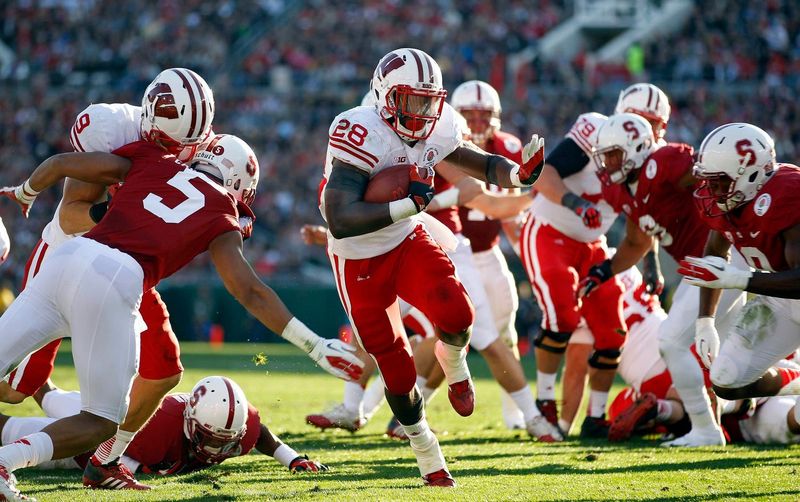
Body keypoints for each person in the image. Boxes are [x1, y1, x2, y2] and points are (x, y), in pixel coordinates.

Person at [0, 133, 363, 500]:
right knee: (101, 420)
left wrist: (28, 190)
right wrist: (314, 345)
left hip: (68, 254)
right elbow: (249, 290)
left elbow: (63, 162)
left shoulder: (155, 159)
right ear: (238, 184)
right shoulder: (221, 210)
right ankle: (5, 462)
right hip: (114, 278)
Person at [320, 47, 547, 487]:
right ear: (386, 97)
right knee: (399, 371)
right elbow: (341, 220)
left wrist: (518, 175)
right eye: (412, 100)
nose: (424, 112)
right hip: (358, 258)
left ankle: (456, 366)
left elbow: (469, 160)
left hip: (405, 238)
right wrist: (411, 203)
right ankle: (425, 447)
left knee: (458, 312)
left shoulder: (437, 123)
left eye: (430, 100)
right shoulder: (359, 129)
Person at [0, 68, 227, 490]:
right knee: (13, 389)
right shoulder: (109, 129)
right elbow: (70, 214)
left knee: (164, 370)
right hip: (71, 255)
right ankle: (20, 429)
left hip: (126, 272)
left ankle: (107, 459)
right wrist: (125, 215)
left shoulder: (191, 138)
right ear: (148, 121)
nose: (180, 151)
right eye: (172, 143)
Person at [579, 113, 747, 446]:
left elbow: (712, 180)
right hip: (699, 270)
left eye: (613, 153)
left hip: (722, 261)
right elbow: (637, 242)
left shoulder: (666, 161)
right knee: (720, 364)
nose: (607, 162)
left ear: (638, 146)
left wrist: (726, 222)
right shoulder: (623, 190)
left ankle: (705, 429)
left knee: (671, 340)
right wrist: (605, 270)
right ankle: (726, 415)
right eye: (605, 155)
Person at [676, 123, 800, 405]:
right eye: (708, 181)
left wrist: (742, 280)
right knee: (726, 379)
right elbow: (714, 255)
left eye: (718, 181)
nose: (711, 189)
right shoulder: (731, 201)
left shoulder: (788, 194)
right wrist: (705, 321)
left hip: (791, 288)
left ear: (752, 174)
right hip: (782, 296)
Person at [0, 376, 327, 476]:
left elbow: (260, 435)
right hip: (102, 426)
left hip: (116, 410)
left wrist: (292, 458)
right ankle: (24, 364)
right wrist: (147, 471)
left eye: (225, 442)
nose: (218, 451)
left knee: (51, 397)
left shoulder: (235, 424)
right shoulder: (157, 425)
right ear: (189, 422)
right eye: (211, 440)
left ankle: (27, 370)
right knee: (15, 430)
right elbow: (106, 459)